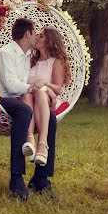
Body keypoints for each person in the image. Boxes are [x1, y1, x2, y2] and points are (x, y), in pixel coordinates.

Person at [0, 18, 57, 201]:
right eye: (35, 32)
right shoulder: (6, 53)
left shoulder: (27, 55)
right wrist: (33, 89)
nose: (36, 35)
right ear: (27, 34)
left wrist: (45, 91)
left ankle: (41, 177)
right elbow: (12, 86)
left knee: (50, 119)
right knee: (24, 111)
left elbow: (32, 80)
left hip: (21, 98)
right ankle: (16, 179)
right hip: (2, 99)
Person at [21, 27, 72, 166]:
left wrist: (44, 83)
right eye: (37, 35)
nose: (37, 37)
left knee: (39, 92)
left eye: (41, 36)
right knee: (26, 93)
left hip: (47, 99)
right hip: (29, 98)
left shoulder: (56, 61)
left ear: (50, 41)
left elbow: (58, 88)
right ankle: (30, 139)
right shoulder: (32, 60)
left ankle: (42, 144)